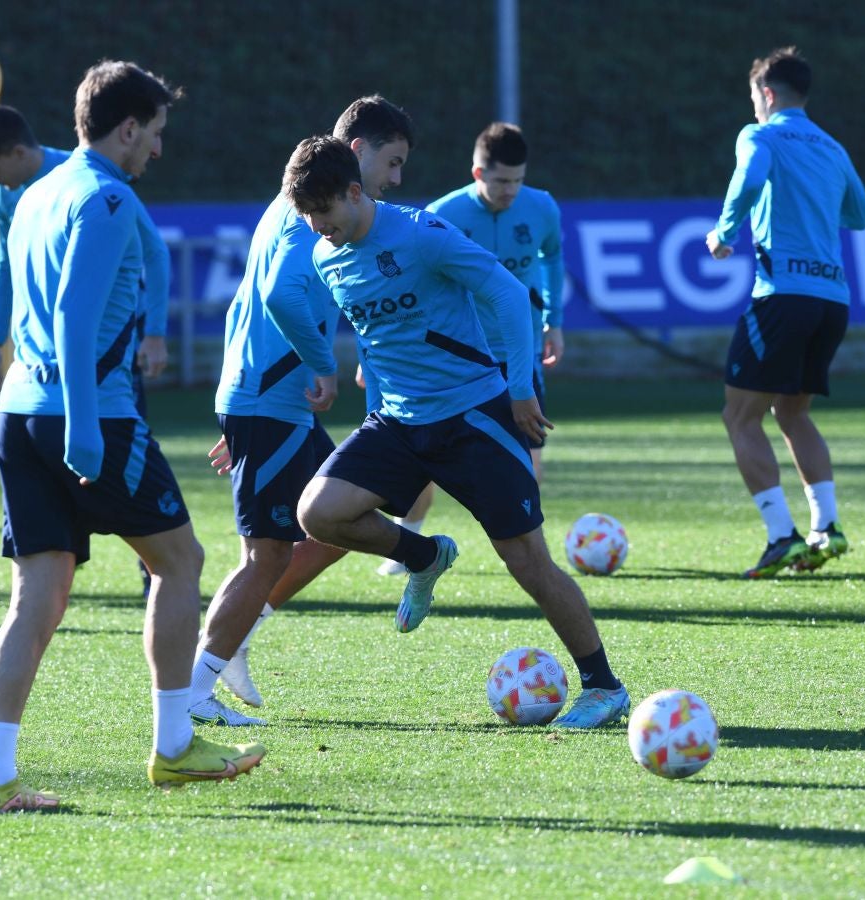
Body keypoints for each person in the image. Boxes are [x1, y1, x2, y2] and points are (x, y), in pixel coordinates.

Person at [0, 61, 263, 815]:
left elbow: (24, 295)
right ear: (127, 128)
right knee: (180, 562)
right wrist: (85, 424)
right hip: (89, 411)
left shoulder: (37, 193)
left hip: (19, 413)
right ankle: (174, 746)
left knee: (36, 598)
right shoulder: (104, 198)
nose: (158, 149)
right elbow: (74, 314)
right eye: (155, 133)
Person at [285, 135, 629, 729]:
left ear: (353, 192)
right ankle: (424, 555)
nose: (317, 226)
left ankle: (604, 686)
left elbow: (507, 294)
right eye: (307, 216)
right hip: (398, 421)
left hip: (473, 416)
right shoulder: (325, 255)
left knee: (528, 562)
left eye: (323, 211)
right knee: (318, 512)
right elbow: (369, 328)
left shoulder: (421, 233)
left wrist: (519, 387)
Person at [193, 96, 416, 724]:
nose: (396, 178)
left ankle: (233, 641)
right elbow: (276, 292)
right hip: (270, 401)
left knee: (339, 519)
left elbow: (246, 302)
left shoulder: (295, 200)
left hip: (268, 402)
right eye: (392, 162)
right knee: (265, 554)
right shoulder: (308, 213)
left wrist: (239, 405)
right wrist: (319, 366)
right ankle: (196, 687)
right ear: (357, 153)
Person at [0, 104, 170, 594]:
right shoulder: (8, 193)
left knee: (158, 525)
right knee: (59, 559)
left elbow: (154, 251)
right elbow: (8, 265)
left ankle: (151, 569)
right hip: (40, 380)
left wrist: (154, 331)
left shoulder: (93, 183)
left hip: (103, 362)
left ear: (18, 152)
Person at [705, 46, 865, 578]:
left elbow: (750, 178)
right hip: (832, 299)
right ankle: (827, 527)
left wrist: (725, 232)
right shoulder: (832, 146)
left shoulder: (760, 135)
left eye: (755, 97)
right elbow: (859, 214)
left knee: (739, 416)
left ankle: (781, 536)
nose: (754, 106)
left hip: (783, 295)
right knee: (792, 413)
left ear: (767, 94)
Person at [384, 122, 565, 577]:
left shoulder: (542, 207)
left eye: (518, 180)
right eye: (501, 181)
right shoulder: (442, 215)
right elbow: (414, 288)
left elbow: (552, 257)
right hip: (460, 356)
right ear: (478, 173)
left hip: (518, 351)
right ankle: (409, 539)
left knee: (529, 453)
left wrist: (554, 321)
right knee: (428, 448)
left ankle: (529, 546)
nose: (511, 191)